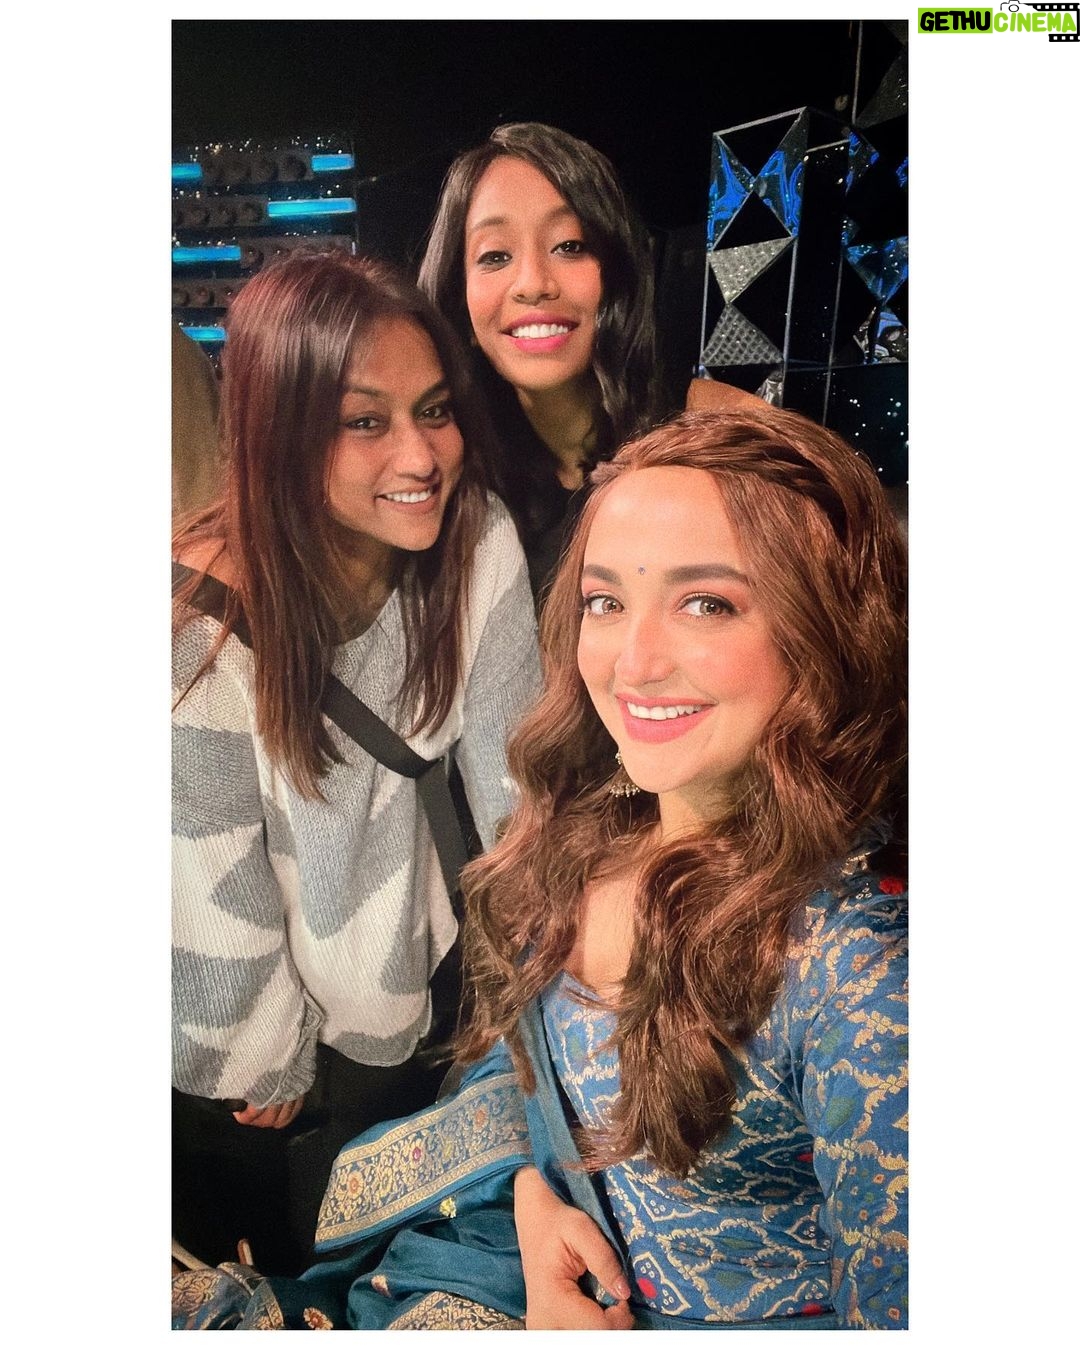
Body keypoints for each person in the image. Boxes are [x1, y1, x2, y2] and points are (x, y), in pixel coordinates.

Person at [173, 405, 907, 1331]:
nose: (633, 662)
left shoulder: (864, 973)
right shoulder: (588, 831)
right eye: (606, 601)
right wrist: (533, 1204)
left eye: (707, 603)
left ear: (828, 627)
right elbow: (530, 1081)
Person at [171, 248, 541, 1277]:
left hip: (437, 981)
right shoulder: (202, 620)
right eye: (364, 421)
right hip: (302, 1048)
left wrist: (525, 985)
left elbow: (513, 775)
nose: (421, 456)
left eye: (435, 410)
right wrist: (267, 1057)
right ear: (279, 429)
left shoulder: (477, 537)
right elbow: (211, 874)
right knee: (304, 1265)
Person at [418, 122, 663, 599]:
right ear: (458, 297)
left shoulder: (711, 445)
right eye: (495, 256)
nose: (532, 283)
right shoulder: (445, 482)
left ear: (617, 276)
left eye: (569, 246)